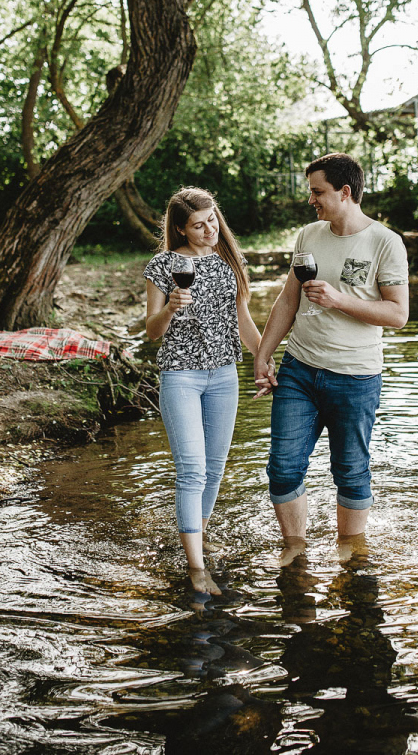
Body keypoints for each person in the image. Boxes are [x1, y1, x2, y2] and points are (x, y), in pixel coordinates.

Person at [254, 153, 409, 560]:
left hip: (355, 377)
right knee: (283, 468)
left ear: (345, 192)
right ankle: (295, 550)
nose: (312, 200)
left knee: (351, 472)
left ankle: (350, 554)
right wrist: (264, 355)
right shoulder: (309, 235)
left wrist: (338, 300)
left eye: (317, 192)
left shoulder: (385, 242)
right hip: (299, 370)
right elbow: (288, 300)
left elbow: (397, 314)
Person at [144, 187, 265, 594]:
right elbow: (151, 332)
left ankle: (198, 535)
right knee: (192, 471)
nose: (210, 228)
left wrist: (263, 358)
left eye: (212, 219)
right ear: (180, 228)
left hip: (224, 375)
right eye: (198, 224)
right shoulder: (162, 265)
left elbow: (243, 321)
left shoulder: (229, 261)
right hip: (181, 375)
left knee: (214, 470)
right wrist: (170, 307)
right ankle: (196, 568)